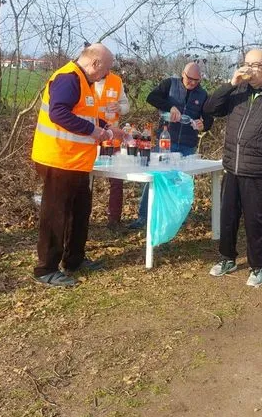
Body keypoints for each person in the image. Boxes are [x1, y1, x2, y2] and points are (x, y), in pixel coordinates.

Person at [31, 43, 125, 287]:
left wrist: (107, 127)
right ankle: (46, 269)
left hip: (77, 162)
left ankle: (74, 259)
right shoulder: (68, 78)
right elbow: (59, 113)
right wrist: (95, 131)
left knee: (80, 211)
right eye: (106, 69)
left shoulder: (86, 83)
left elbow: (87, 114)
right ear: (95, 64)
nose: (107, 75)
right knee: (56, 215)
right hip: (59, 159)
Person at [202, 48, 262, 287]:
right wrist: (230, 84)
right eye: (247, 64)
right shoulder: (238, 90)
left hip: (259, 170)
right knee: (228, 218)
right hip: (232, 167)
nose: (250, 69)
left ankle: (257, 266)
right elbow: (210, 109)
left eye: (256, 65)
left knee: (257, 222)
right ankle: (227, 258)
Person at [130, 61, 214, 229]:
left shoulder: (203, 95)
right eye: (189, 78)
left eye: (196, 80)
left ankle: (176, 218)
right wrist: (171, 107)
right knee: (155, 178)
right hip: (166, 140)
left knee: (180, 182)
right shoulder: (170, 84)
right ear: (183, 74)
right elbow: (151, 97)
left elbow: (209, 119)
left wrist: (202, 124)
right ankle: (144, 216)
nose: (191, 83)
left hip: (187, 144)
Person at [94, 70, 130, 231]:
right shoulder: (84, 80)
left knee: (116, 179)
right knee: (85, 178)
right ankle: (80, 216)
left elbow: (126, 105)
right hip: (91, 137)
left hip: (112, 137)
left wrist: (120, 108)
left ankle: (114, 219)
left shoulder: (116, 80)